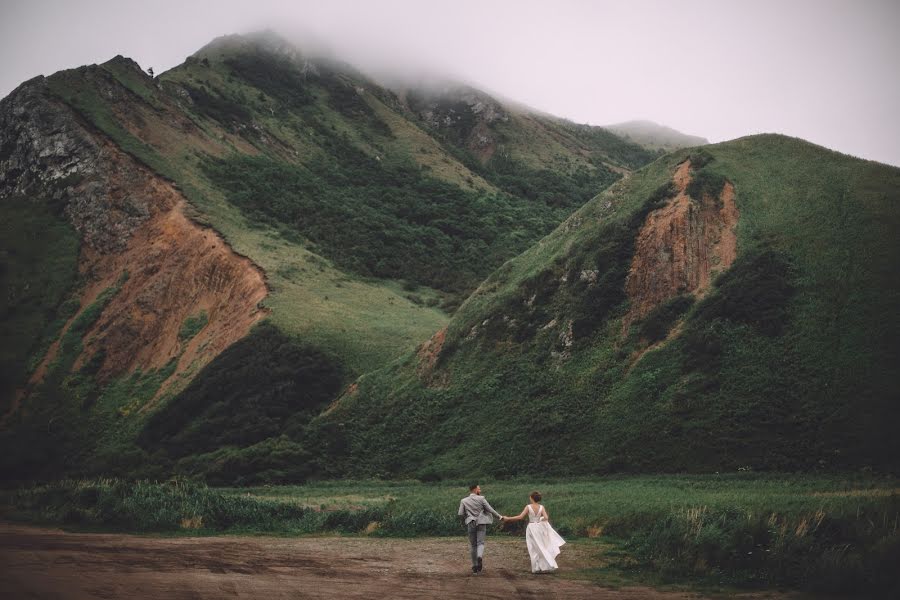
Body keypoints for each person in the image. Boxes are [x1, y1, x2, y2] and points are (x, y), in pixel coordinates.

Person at [502, 491, 566, 573]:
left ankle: (536, 568)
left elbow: (520, 517)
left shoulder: (528, 507)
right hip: (539, 527)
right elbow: (546, 517)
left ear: (532, 498)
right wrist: (540, 519)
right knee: (541, 546)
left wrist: (508, 518)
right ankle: (542, 566)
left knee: (533, 547)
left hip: (531, 527)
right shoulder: (541, 507)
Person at [458, 483, 504, 574]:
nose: (480, 490)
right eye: (479, 489)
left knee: (473, 545)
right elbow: (490, 509)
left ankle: (475, 566)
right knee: (481, 542)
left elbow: (460, 513)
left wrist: (467, 517)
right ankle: (479, 556)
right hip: (481, 522)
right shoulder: (481, 499)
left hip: (470, 522)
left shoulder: (464, 500)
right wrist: (500, 517)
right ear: (474, 489)